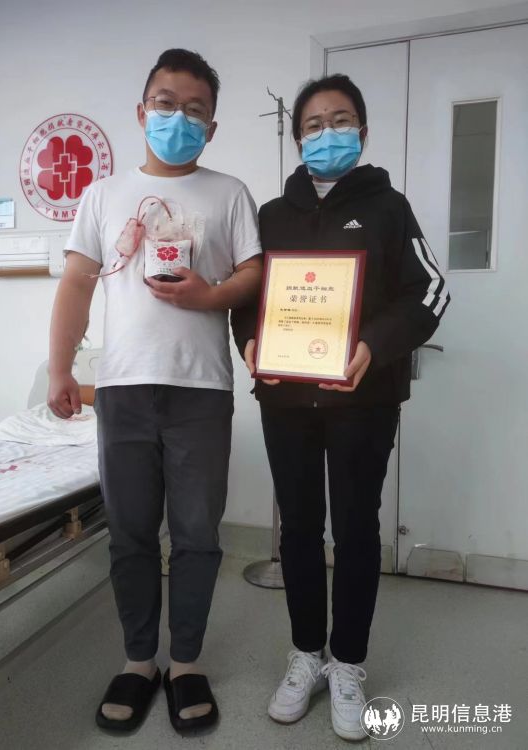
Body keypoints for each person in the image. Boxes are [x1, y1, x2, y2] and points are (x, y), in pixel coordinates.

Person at [48, 48, 262, 734]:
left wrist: (209, 296)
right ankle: (140, 661)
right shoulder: (102, 194)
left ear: (212, 126)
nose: (179, 118)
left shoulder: (229, 193)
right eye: (167, 104)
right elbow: (77, 282)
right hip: (122, 390)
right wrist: (59, 369)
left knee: (197, 535)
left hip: (201, 391)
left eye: (195, 110)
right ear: (142, 112)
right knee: (131, 533)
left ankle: (187, 661)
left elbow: (253, 275)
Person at [231, 74, 449, 742]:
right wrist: (250, 342)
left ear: (363, 130)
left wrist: (373, 346)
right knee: (298, 528)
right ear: (298, 138)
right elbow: (246, 296)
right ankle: (306, 655)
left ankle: (348, 662)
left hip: (364, 399)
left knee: (355, 530)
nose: (328, 132)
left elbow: (429, 291)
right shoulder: (273, 214)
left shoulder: (389, 207)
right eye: (314, 124)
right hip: (286, 400)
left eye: (341, 120)